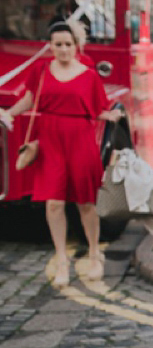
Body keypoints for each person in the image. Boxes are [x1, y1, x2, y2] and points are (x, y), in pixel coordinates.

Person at [0, 21, 123, 286]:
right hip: (50, 140)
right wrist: (8, 114)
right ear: (50, 46)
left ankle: (93, 253)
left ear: (75, 46)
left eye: (68, 44)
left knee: (85, 203)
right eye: (58, 45)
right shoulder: (41, 71)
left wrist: (112, 116)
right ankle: (62, 261)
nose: (63, 50)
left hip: (80, 139)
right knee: (53, 203)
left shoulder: (89, 75)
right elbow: (30, 99)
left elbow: (96, 108)